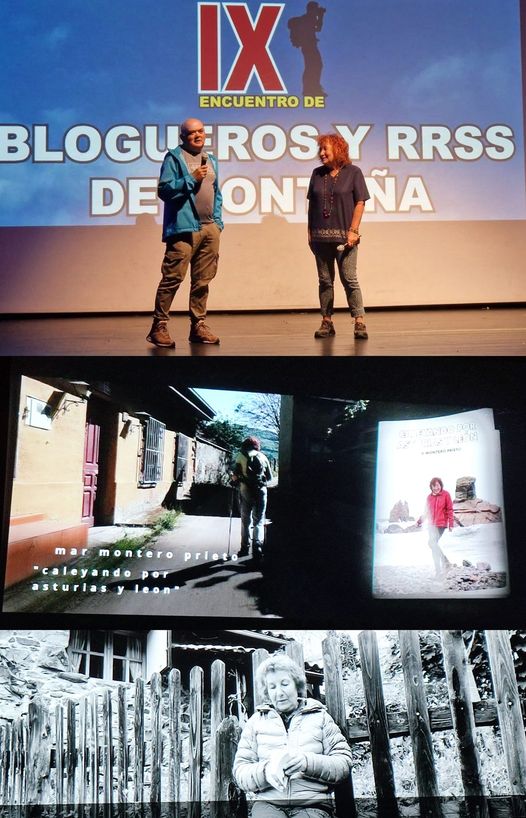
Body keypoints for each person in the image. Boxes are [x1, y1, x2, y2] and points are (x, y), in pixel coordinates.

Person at [233, 654, 352, 817]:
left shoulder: (321, 717)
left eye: (284, 684)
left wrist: (307, 763)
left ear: (297, 685)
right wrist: (266, 772)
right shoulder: (256, 722)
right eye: (272, 687)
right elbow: (241, 772)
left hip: (313, 806)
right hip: (268, 806)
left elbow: (343, 764)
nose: (279, 692)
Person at [146, 117, 223, 348]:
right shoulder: (174, 157)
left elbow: (216, 192)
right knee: (172, 279)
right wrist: (190, 179)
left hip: (209, 228)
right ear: (183, 137)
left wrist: (217, 222)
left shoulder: (211, 159)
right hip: (184, 228)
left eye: (200, 131)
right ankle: (158, 326)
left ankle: (198, 326)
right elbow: (164, 190)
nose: (198, 135)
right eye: (192, 133)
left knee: (202, 281)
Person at [307, 133, 370, 340]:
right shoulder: (316, 174)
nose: (322, 153)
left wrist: (353, 230)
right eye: (320, 150)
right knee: (325, 281)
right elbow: (312, 206)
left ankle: (359, 321)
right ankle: (327, 321)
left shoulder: (354, 172)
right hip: (320, 237)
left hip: (346, 238)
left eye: (325, 149)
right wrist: (309, 233)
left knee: (349, 279)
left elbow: (360, 202)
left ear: (338, 150)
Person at [232, 436, 273, 559]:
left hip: (245, 491)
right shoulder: (263, 457)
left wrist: (236, 480)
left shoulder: (239, 456)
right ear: (257, 446)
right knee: (259, 520)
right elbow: (270, 478)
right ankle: (258, 547)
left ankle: (244, 547)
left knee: (245, 520)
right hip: (261, 491)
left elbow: (234, 476)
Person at [417, 477, 455, 576]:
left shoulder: (446, 494)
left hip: (441, 524)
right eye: (434, 486)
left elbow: (450, 509)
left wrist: (451, 523)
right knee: (433, 545)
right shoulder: (429, 497)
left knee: (432, 543)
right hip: (431, 525)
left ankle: (444, 563)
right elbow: (426, 511)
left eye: (438, 485)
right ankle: (439, 570)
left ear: (441, 485)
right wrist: (420, 521)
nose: (436, 488)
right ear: (431, 487)